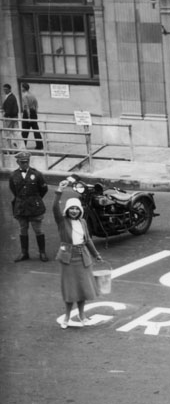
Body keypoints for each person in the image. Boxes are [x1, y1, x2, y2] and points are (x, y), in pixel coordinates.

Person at [53, 179, 102, 328]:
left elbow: (87, 240)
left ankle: (82, 315)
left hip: (83, 257)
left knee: (83, 289)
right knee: (70, 290)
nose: (74, 211)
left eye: (76, 209)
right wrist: (59, 191)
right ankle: (66, 317)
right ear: (67, 210)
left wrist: (96, 255)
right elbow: (55, 207)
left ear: (80, 210)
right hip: (68, 258)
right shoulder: (62, 222)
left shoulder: (83, 222)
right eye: (71, 208)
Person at [9, 151, 49, 262]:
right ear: (18, 162)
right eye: (22, 162)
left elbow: (43, 189)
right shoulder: (13, 175)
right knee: (23, 230)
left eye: (26, 162)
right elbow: (14, 190)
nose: (24, 164)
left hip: (34, 207)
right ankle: (24, 253)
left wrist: (34, 199)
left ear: (29, 162)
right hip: (21, 207)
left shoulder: (37, 174)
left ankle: (42, 253)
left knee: (38, 230)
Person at [20, 83, 44, 151]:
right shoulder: (32, 95)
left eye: (22, 87)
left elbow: (26, 106)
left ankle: (22, 145)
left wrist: (28, 116)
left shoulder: (25, 96)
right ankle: (40, 145)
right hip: (33, 112)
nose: (21, 89)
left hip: (28, 114)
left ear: (24, 88)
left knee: (25, 130)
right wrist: (35, 112)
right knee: (36, 130)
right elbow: (36, 104)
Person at [2, 83, 19, 153]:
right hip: (13, 117)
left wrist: (5, 115)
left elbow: (9, 108)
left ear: (9, 89)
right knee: (14, 133)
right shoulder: (11, 96)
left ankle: (10, 149)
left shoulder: (10, 97)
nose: (4, 91)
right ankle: (15, 148)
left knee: (7, 133)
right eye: (4, 89)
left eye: (6, 89)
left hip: (10, 117)